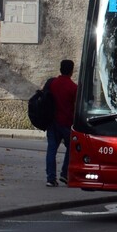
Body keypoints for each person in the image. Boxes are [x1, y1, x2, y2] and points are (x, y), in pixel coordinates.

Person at [44, 59, 77, 187]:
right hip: (67, 123)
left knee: (51, 150)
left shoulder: (52, 84)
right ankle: (65, 173)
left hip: (52, 122)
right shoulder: (73, 87)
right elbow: (75, 106)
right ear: (71, 71)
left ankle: (51, 178)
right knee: (71, 149)